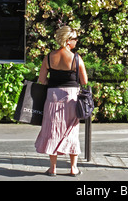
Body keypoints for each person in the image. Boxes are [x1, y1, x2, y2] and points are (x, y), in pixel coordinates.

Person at [35, 25, 88, 177]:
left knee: (53, 130)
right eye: (75, 39)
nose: (77, 41)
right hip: (71, 96)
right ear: (68, 40)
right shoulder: (76, 58)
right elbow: (84, 81)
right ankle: (73, 168)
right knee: (71, 130)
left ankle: (53, 168)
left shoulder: (49, 57)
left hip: (52, 96)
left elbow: (42, 80)